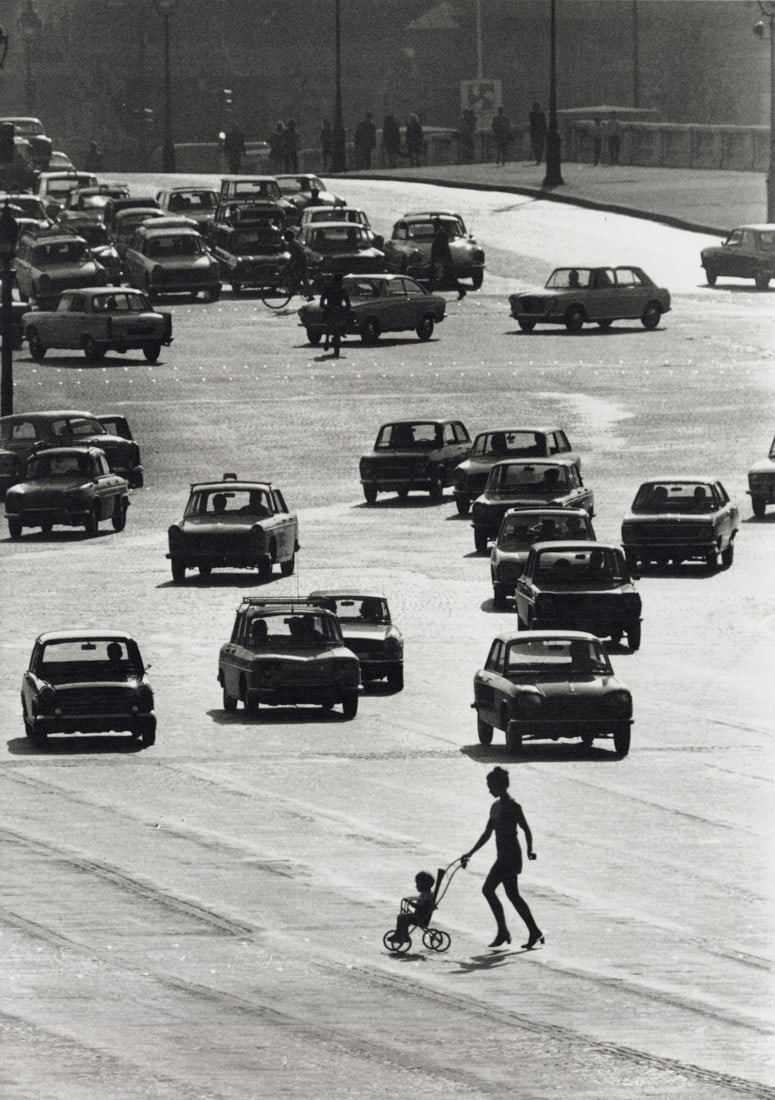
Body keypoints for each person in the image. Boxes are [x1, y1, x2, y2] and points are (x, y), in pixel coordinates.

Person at [461, 767, 544, 949]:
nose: (489, 790)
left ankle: (505, 931)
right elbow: (487, 833)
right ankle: (532, 931)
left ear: (499, 786)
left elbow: (526, 829)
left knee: (489, 890)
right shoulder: (496, 807)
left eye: (490, 786)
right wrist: (470, 853)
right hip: (505, 855)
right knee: (512, 895)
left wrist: (530, 850)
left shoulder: (514, 807)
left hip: (510, 855)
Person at [393, 871, 436, 944]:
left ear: (424, 885)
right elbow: (418, 899)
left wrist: (411, 903)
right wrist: (410, 898)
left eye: (418, 884)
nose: (416, 886)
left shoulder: (427, 896)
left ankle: (403, 936)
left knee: (402, 918)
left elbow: (421, 907)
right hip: (418, 916)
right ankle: (400, 934)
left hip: (421, 918)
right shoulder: (424, 894)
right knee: (402, 917)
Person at [429, 219, 467, 299]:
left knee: (438, 277)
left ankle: (429, 293)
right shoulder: (439, 233)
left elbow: (441, 248)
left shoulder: (441, 234)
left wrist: (437, 259)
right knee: (445, 277)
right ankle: (461, 291)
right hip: (441, 260)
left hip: (442, 260)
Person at [319, 272, 351, 357]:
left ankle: (327, 340)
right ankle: (342, 332)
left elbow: (322, 301)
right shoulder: (343, 289)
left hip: (330, 309)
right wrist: (347, 309)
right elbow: (348, 302)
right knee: (346, 321)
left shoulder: (328, 288)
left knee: (327, 324)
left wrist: (324, 306)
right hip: (338, 311)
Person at [284, 231, 313, 299]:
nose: (285, 238)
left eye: (286, 237)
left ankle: (298, 289)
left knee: (295, 274)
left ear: (288, 237)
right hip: (302, 261)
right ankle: (306, 292)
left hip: (301, 261)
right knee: (302, 277)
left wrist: (288, 265)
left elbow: (294, 257)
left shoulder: (292, 244)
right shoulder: (294, 242)